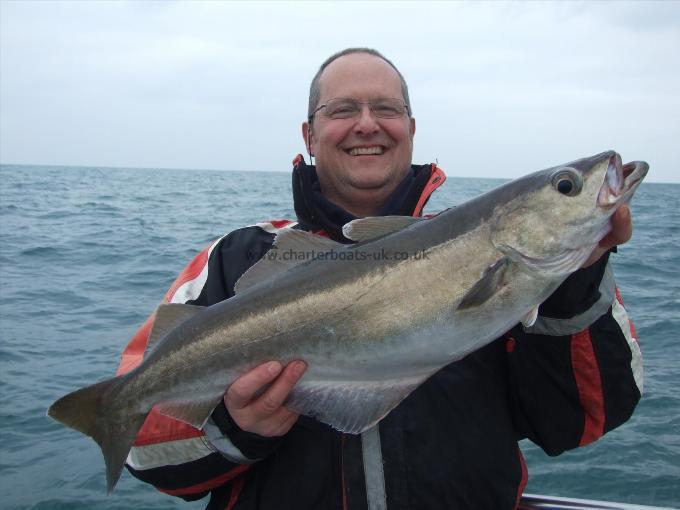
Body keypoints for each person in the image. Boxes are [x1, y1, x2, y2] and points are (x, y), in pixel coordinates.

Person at [117, 48, 642, 510]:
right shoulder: (232, 260)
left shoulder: (551, 279)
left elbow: (581, 422)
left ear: (411, 129)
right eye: (342, 110)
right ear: (310, 134)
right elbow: (142, 449)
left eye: (387, 109)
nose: (367, 124)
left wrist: (577, 278)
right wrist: (234, 432)